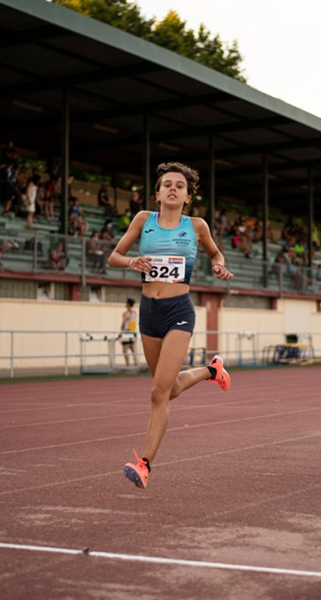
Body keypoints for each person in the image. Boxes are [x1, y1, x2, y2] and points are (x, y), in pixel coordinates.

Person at [108, 162, 233, 489]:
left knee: (157, 393)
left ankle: (144, 463)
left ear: (188, 196)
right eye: (167, 184)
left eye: (180, 185)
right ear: (158, 193)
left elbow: (216, 254)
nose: (173, 188)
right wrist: (132, 261)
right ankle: (211, 371)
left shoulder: (197, 226)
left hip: (179, 310)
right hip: (149, 311)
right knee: (169, 388)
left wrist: (219, 266)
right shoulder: (143, 221)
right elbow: (114, 256)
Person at [120, 298, 139, 366]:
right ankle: (136, 363)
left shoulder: (126, 313)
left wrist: (121, 331)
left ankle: (128, 364)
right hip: (133, 332)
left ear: (128, 304)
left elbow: (124, 323)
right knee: (133, 349)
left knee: (125, 350)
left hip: (127, 332)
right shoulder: (134, 313)